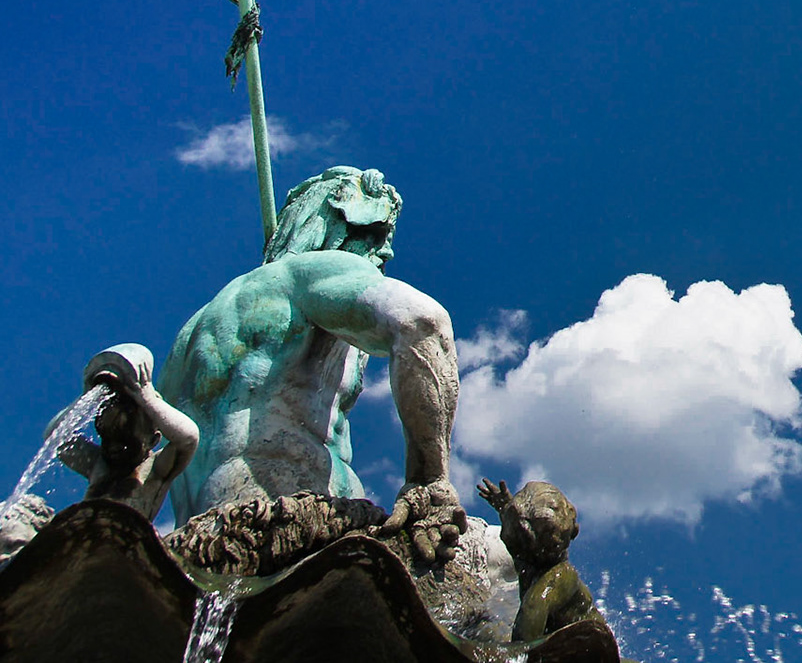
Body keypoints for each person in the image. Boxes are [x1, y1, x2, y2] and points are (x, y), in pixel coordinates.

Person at [158, 166, 465, 562]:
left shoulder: (192, 333)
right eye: (376, 235)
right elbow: (422, 322)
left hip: (203, 535)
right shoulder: (313, 272)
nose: (385, 253)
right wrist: (430, 482)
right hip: (288, 511)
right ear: (336, 224)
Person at [53, 343, 199, 520]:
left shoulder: (156, 468)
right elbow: (55, 435)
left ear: (153, 440)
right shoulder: (99, 465)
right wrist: (87, 397)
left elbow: (188, 438)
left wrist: (147, 398)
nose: (114, 446)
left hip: (129, 542)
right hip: (87, 541)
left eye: (126, 441)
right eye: (107, 438)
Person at [476, 477, 605, 642]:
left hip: (596, 648)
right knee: (485, 630)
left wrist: (512, 656)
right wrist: (505, 507)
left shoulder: (561, 576)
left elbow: (530, 613)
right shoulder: (528, 559)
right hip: (558, 643)